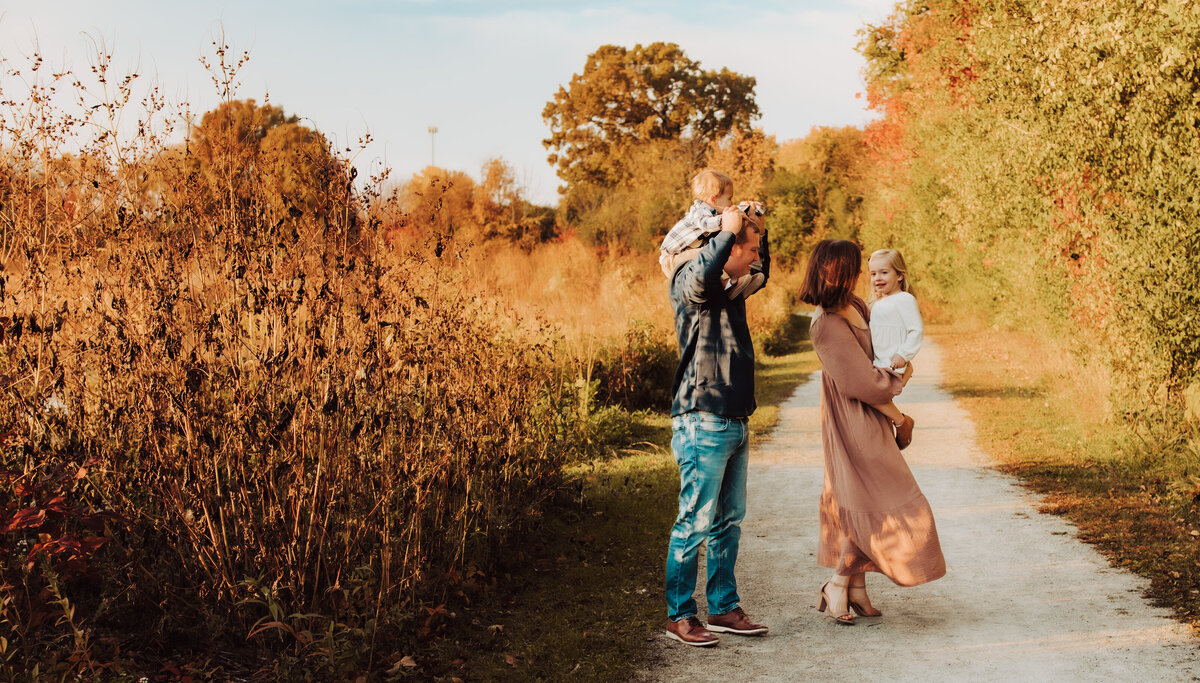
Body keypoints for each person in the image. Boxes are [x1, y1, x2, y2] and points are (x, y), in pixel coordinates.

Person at [799, 239, 945, 625]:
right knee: (881, 500)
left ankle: (856, 588)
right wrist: (900, 418)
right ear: (834, 270)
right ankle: (837, 581)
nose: (862, 275)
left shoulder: (857, 304)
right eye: (853, 267)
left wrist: (903, 362)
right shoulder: (826, 323)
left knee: (863, 500)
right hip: (853, 419)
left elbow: (886, 350)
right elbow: (863, 383)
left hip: (870, 414)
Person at [662, 200, 770, 647]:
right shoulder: (691, 279)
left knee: (729, 521)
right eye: (751, 248)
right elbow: (703, 275)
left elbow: (759, 270)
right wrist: (727, 231)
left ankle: (724, 607)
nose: (757, 258)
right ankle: (680, 616)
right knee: (694, 521)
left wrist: (758, 227)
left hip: (735, 418)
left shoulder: (731, 288)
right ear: (726, 248)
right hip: (702, 417)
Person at [658, 168, 766, 299]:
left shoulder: (712, 213)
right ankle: (727, 284)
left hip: (682, 256)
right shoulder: (699, 211)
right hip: (672, 258)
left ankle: (737, 285)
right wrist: (728, 221)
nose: (731, 203)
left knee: (711, 254)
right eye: (729, 199)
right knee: (709, 255)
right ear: (714, 199)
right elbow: (706, 224)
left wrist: (747, 214)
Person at [865, 248, 923, 449]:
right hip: (878, 364)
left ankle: (902, 422)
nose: (877, 278)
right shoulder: (878, 302)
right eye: (873, 274)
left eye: (884, 272)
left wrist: (903, 355)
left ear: (899, 275)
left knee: (869, 395)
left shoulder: (904, 299)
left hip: (892, 364)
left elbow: (916, 330)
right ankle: (885, 438)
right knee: (870, 402)